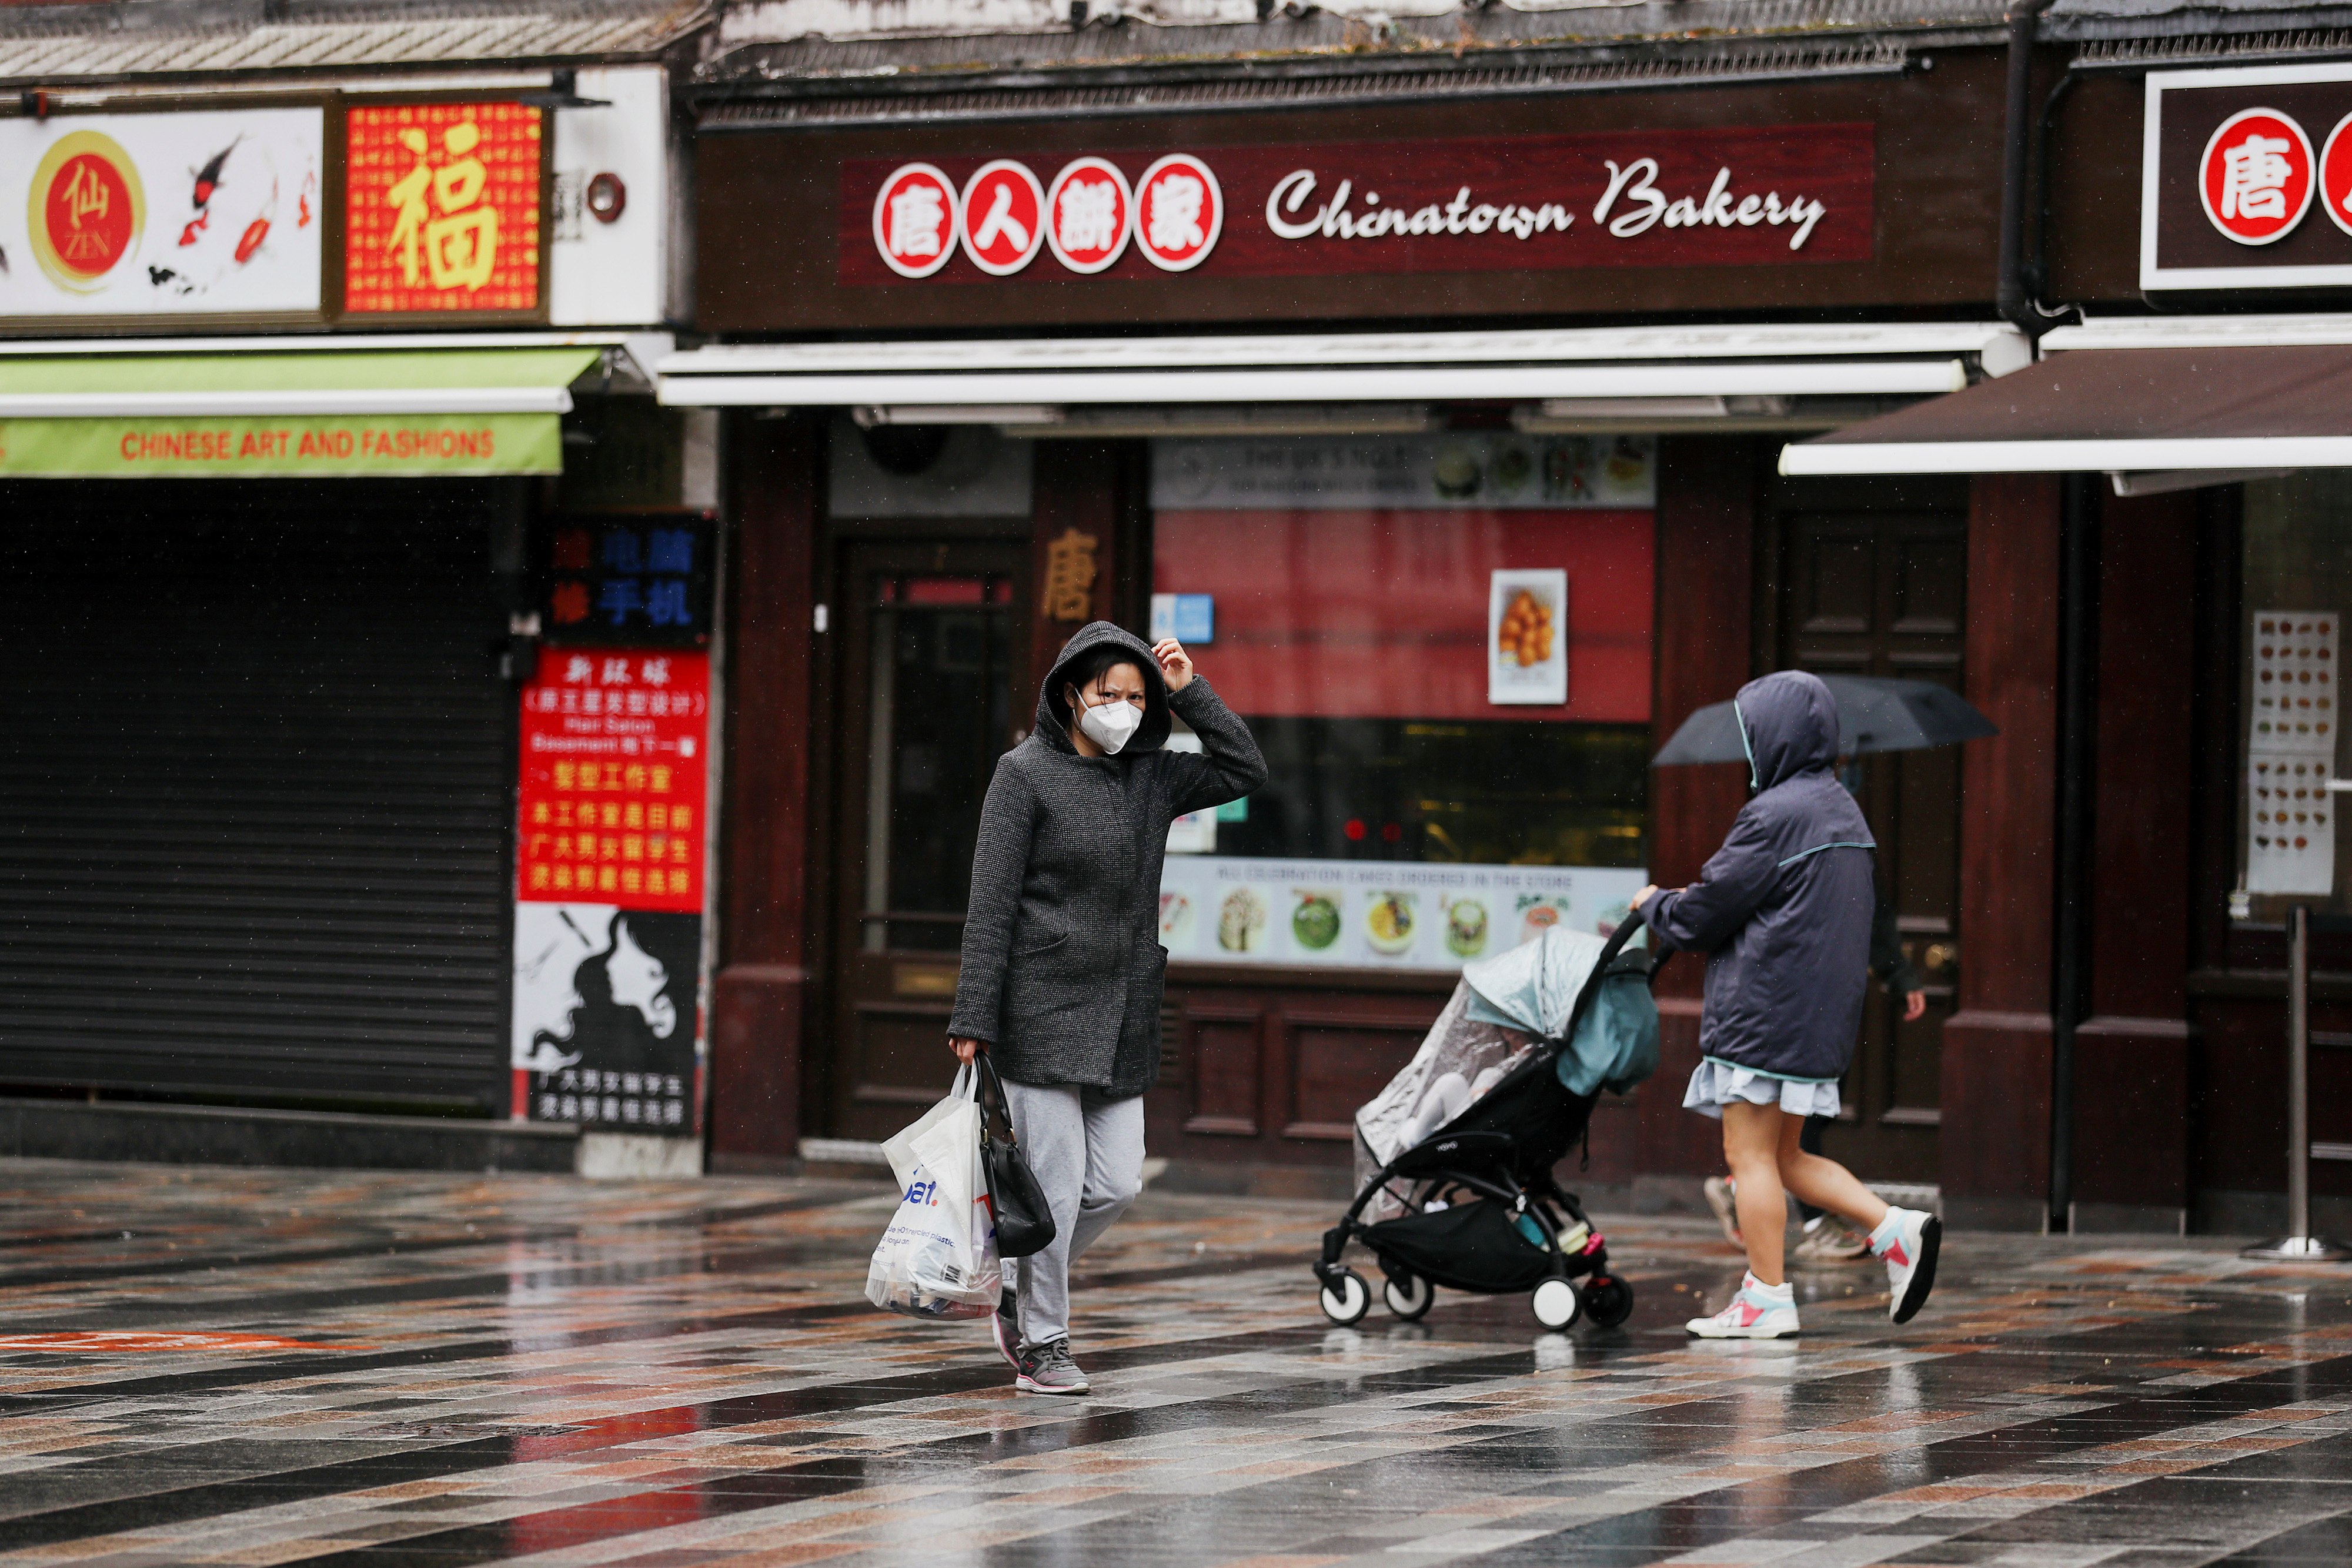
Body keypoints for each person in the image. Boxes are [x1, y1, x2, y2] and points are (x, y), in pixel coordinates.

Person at [947, 621, 1266, 1393]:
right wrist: (974, 1016)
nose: (1123, 707)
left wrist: (1190, 691)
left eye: (1136, 696)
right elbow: (991, 904)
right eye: (1107, 693)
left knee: (1118, 1184)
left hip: (1124, 1009)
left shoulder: (1154, 776)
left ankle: (1018, 1279)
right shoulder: (1023, 775)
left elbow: (1244, 767)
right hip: (1040, 1006)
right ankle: (1043, 1343)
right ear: (1070, 695)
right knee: (1055, 1189)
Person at [1635, 670, 1940, 1339]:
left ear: (1773, 737)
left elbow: (1705, 914)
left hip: (1762, 1013)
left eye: (1752, 733)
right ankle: (1894, 1228)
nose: (1749, 747)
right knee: (1786, 1159)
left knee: (1748, 1157)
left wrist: (1656, 904)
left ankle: (1767, 1298)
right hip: (1813, 1018)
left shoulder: (1772, 814)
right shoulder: (1842, 811)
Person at [1703, 882, 1927, 1261]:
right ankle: (1817, 1227)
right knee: (1784, 1138)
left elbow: (1872, 908)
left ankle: (1746, 1200)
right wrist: (1666, 907)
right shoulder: (1786, 848)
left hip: (1811, 1001)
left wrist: (1897, 972)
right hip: (1776, 1003)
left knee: (1794, 1134)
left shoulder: (1847, 856)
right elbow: (1714, 901)